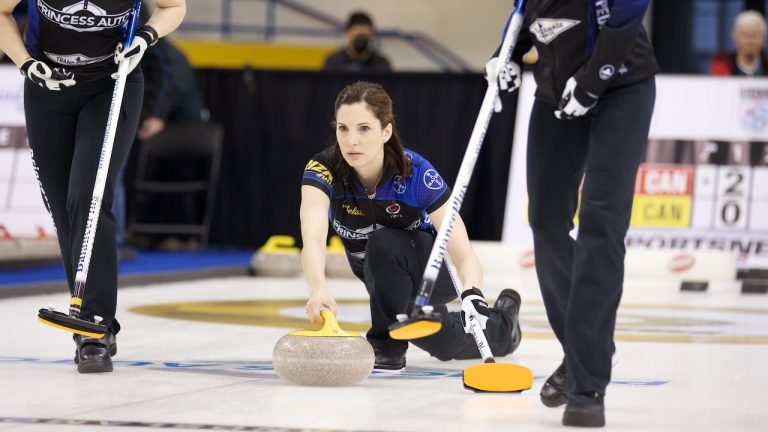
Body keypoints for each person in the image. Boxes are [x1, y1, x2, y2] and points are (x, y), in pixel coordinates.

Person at [486, 0, 658, 427]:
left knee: (601, 223)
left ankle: (587, 384)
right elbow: (526, 18)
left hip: (622, 87)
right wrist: (503, 56)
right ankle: (582, 347)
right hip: (555, 95)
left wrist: (591, 83)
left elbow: (623, 23)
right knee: (545, 218)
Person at [0, 0, 186, 373]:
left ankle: (96, 328)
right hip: (47, 85)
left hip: (111, 84)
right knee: (61, 205)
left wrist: (146, 37)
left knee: (88, 194)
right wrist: (24, 62)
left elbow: (173, 6)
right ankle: (87, 320)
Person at [300, 81, 521, 370]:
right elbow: (313, 238)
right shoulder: (322, 170)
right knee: (443, 343)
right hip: (380, 275)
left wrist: (473, 293)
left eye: (364, 128)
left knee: (381, 243)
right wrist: (317, 288)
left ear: (386, 131)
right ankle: (504, 325)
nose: (351, 140)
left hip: (428, 272)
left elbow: (464, 255)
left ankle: (385, 345)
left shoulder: (415, 173)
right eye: (343, 128)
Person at [322, 11, 392, 72]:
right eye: (357, 36)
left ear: (371, 35)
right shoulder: (334, 63)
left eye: (364, 36)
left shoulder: (381, 64)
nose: (361, 40)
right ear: (347, 34)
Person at [712, 10, 768, 77]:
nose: (750, 42)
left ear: (764, 39)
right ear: (735, 39)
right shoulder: (722, 66)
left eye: (755, 36)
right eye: (745, 36)